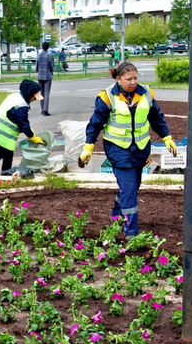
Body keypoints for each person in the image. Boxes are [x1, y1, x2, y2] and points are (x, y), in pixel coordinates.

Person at [78, 62, 178, 238]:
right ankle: (131, 233)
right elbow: (95, 123)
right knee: (130, 190)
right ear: (118, 79)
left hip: (140, 149)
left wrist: (167, 137)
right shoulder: (107, 97)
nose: (133, 82)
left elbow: (157, 118)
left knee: (131, 187)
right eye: (128, 79)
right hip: (118, 150)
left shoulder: (146, 93)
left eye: (135, 78)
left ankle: (117, 215)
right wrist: (88, 146)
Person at [0, 79, 46, 176]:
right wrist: (32, 137)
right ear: (30, 94)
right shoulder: (21, 106)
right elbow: (23, 124)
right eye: (34, 97)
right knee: (7, 156)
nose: (35, 99)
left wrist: (32, 132)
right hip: (3, 135)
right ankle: (5, 177)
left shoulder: (16, 96)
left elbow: (22, 122)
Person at [35, 42, 55, 116]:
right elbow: (52, 66)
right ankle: (45, 110)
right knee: (46, 93)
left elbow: (36, 66)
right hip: (48, 76)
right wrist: (52, 70)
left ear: (42, 47)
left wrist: (38, 70)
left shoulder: (39, 55)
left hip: (40, 76)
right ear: (48, 47)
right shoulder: (49, 55)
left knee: (41, 93)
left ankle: (42, 108)